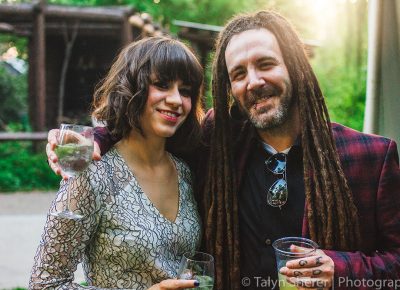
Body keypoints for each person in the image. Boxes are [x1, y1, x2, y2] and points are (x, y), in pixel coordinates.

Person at [47, 11, 400, 290]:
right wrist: (95, 138)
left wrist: (341, 269)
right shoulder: (215, 142)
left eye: (265, 64)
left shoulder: (371, 158)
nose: (254, 82)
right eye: (239, 73)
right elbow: (148, 127)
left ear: (295, 65)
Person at [30, 36, 205, 290]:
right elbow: (45, 284)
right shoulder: (92, 172)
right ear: (132, 88)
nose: (176, 100)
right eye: (162, 84)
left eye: (185, 91)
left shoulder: (185, 171)